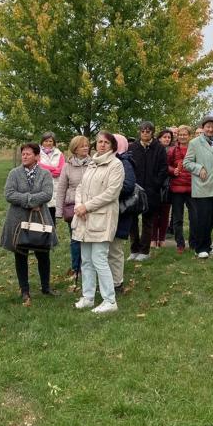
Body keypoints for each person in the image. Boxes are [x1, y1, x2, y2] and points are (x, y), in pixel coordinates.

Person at [73, 131, 124, 314]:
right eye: (99, 142)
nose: (102, 145)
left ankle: (110, 300)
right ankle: (88, 297)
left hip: (102, 218)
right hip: (84, 218)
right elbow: (80, 187)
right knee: (86, 260)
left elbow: (111, 193)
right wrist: (79, 206)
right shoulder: (92, 163)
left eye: (106, 142)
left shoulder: (116, 165)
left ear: (112, 146)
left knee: (99, 259)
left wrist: (86, 206)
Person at [1, 142, 55, 305]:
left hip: (40, 219)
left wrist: (27, 198)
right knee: (21, 254)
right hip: (18, 220)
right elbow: (9, 194)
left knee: (43, 253)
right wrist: (30, 201)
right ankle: (24, 290)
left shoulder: (45, 174)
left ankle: (46, 287)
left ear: (37, 156)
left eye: (28, 154)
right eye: (23, 154)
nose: (24, 156)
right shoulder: (14, 173)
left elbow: (47, 194)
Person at [183, 115, 213, 259]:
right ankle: (199, 248)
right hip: (202, 186)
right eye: (208, 126)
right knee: (202, 218)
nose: (210, 129)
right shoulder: (195, 143)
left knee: (211, 219)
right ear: (203, 128)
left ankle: (207, 245)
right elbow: (187, 163)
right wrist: (199, 168)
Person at [128, 121, 168, 261]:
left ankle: (144, 251)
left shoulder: (159, 148)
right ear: (139, 132)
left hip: (151, 190)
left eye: (148, 131)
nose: (145, 133)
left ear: (152, 132)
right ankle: (134, 249)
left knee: (148, 221)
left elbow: (163, 168)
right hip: (134, 190)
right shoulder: (132, 147)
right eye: (143, 131)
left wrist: (156, 184)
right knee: (132, 221)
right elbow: (129, 166)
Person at [57, 135, 91, 280]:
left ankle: (90, 269)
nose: (86, 148)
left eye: (87, 145)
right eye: (82, 146)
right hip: (73, 208)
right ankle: (76, 269)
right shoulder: (67, 166)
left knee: (90, 240)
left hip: (90, 207)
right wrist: (59, 211)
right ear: (75, 149)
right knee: (75, 240)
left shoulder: (94, 164)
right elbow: (61, 189)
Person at [108, 134, 136, 293]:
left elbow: (128, 186)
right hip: (107, 210)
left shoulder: (125, 162)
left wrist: (108, 190)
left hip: (120, 211)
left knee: (115, 248)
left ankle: (117, 282)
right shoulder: (108, 161)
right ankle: (108, 280)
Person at [167, 125, 194, 253]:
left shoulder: (194, 149)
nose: (182, 137)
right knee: (177, 218)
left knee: (194, 217)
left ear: (189, 136)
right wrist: (173, 170)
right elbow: (166, 165)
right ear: (177, 136)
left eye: (185, 135)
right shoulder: (172, 150)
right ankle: (180, 243)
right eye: (180, 134)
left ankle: (193, 242)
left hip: (192, 187)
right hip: (177, 188)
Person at [152, 129, 173, 247]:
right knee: (154, 213)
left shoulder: (172, 150)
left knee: (165, 213)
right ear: (159, 138)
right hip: (155, 184)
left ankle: (162, 238)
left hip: (168, 185)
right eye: (164, 137)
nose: (167, 139)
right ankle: (153, 238)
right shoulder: (154, 150)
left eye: (169, 137)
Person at [38, 132, 66, 222]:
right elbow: (38, 166)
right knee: (41, 218)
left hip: (55, 187)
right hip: (42, 185)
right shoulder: (37, 153)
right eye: (46, 141)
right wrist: (53, 169)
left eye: (50, 141)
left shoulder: (59, 154)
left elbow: (61, 170)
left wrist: (47, 170)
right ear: (42, 142)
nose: (48, 143)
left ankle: (52, 231)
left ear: (54, 142)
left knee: (52, 216)